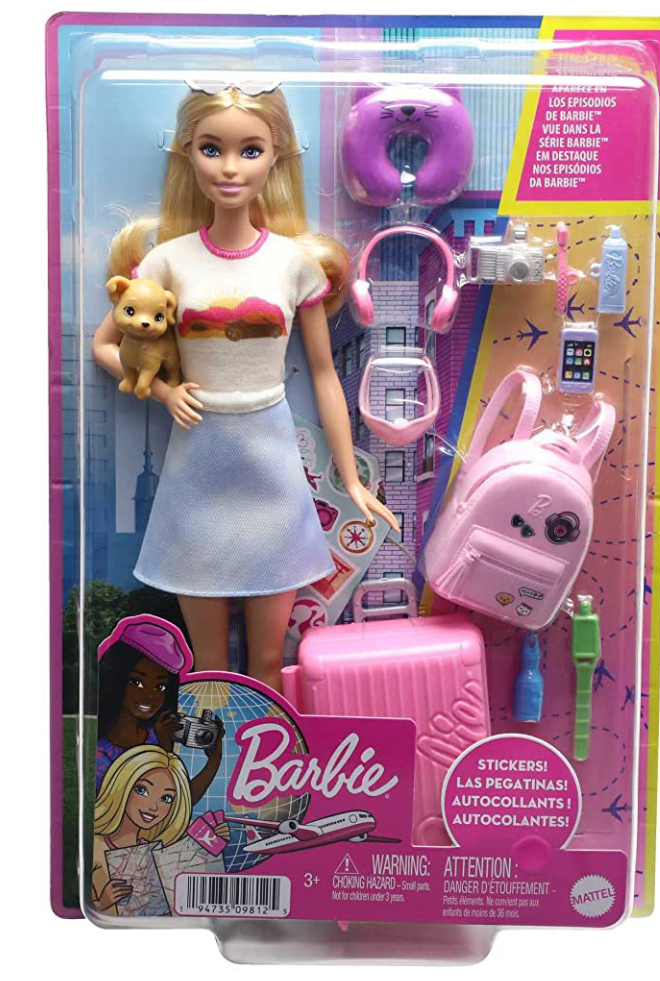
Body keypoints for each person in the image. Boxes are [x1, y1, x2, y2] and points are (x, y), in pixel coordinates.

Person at [93, 81, 398, 690]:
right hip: (198, 461)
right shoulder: (168, 261)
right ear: (188, 152)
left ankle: (270, 752)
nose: (230, 168)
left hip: (271, 465)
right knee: (207, 662)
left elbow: (322, 372)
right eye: (212, 149)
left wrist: (352, 480)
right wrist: (165, 392)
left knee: (266, 661)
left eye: (250, 150)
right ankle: (211, 753)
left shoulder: (292, 263)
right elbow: (106, 346)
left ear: (275, 154)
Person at [96, 619, 223, 804]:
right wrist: (164, 751)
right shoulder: (101, 754)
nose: (150, 695)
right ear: (117, 680)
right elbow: (145, 807)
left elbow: (180, 805)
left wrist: (214, 760)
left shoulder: (158, 735)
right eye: (136, 682)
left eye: (160, 687)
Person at [92, 745, 229, 915]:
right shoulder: (95, 844)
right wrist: (101, 903)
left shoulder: (160, 848)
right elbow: (76, 900)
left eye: (166, 798)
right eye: (141, 790)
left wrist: (213, 841)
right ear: (122, 786)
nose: (153, 807)